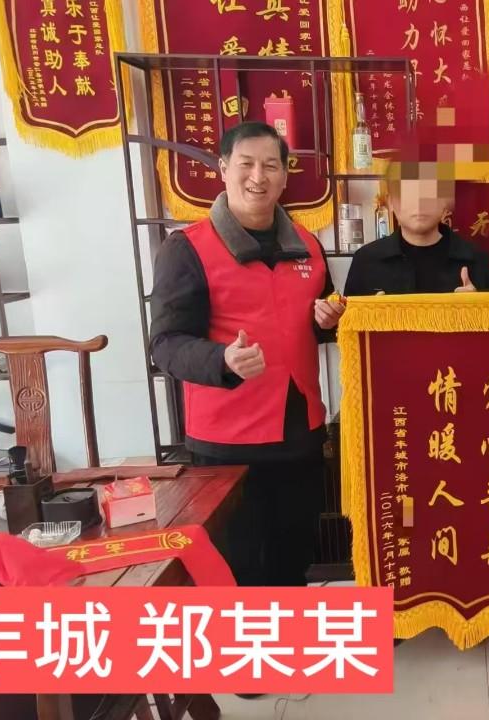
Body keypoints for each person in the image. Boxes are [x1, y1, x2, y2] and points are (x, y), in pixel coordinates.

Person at [149, 122, 338, 589]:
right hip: (227, 443)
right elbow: (165, 344)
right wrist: (221, 360)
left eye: (271, 165)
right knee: (239, 570)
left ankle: (290, 634)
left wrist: (328, 319)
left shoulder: (307, 245)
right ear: (222, 168)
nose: (259, 176)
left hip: (299, 433)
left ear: (285, 175)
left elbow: (318, 318)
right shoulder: (187, 248)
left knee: (294, 560)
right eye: (246, 164)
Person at [337, 160, 489, 297]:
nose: (418, 204)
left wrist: (477, 307)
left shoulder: (478, 260)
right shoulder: (366, 261)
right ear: (390, 202)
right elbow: (349, 319)